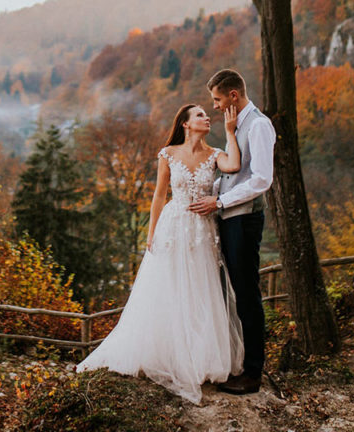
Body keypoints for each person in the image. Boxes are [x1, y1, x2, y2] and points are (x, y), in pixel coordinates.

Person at [76, 103, 244, 403]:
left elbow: (234, 165)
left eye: (207, 114)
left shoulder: (215, 154)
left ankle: (200, 358)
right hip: (173, 226)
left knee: (201, 290)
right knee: (169, 288)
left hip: (202, 231)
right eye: (200, 115)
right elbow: (158, 194)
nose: (207, 117)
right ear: (186, 124)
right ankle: (167, 354)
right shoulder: (168, 154)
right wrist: (151, 234)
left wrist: (231, 132)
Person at [189, 69, 275, 395]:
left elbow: (261, 179)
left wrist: (221, 201)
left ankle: (253, 373)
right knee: (231, 291)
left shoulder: (260, 126)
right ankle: (236, 361)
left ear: (233, 97)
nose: (214, 106)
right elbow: (231, 175)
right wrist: (204, 191)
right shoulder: (234, 126)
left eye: (217, 99)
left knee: (247, 293)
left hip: (243, 219)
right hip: (228, 216)